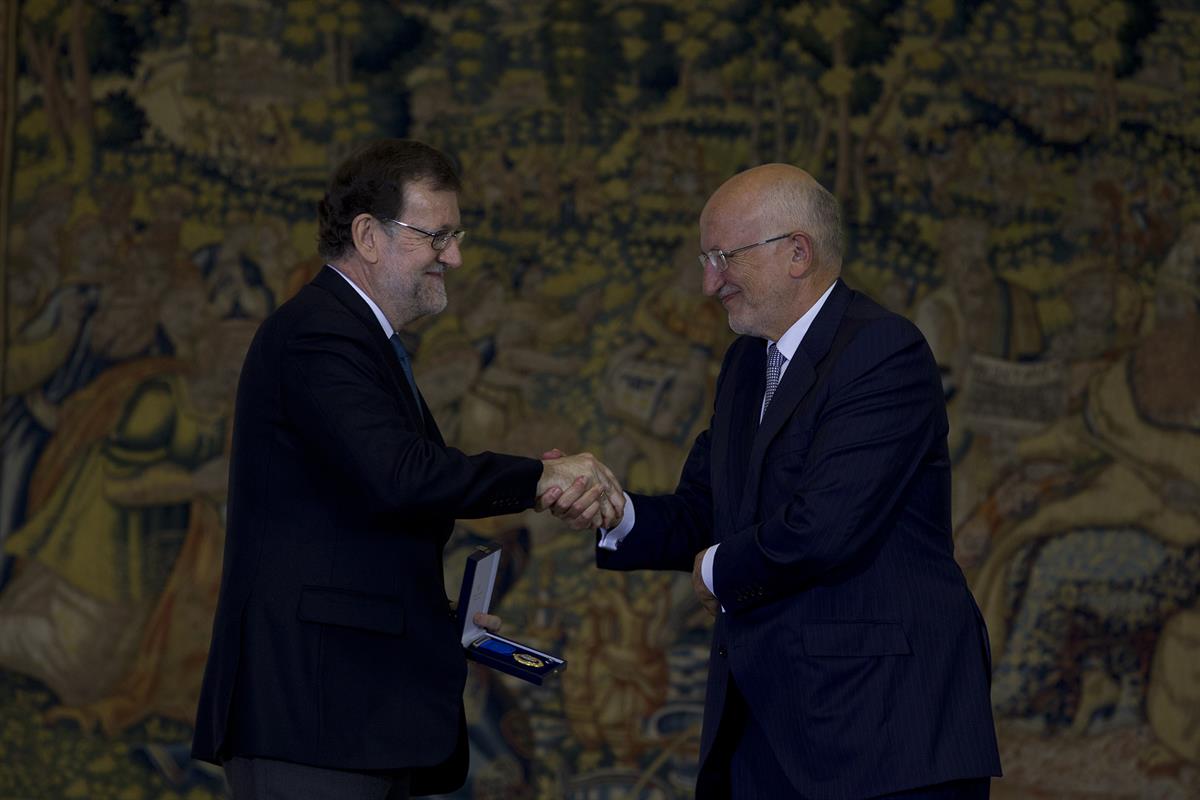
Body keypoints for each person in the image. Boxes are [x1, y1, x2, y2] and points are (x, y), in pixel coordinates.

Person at [549, 164, 1002, 798]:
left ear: (797, 252)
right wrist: (615, 512)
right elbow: (707, 508)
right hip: (768, 730)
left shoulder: (883, 351)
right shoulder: (745, 363)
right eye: (707, 259)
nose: (710, 284)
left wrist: (712, 571)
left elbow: (824, 530)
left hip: (880, 733)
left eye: (723, 257)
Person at [191, 139, 620, 799]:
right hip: (314, 719)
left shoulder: (363, 340)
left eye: (456, 235)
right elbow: (403, 475)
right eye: (437, 236)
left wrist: (437, 616)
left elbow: (348, 528)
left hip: (352, 714)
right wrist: (541, 480)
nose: (454, 256)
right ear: (367, 235)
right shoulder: (320, 335)